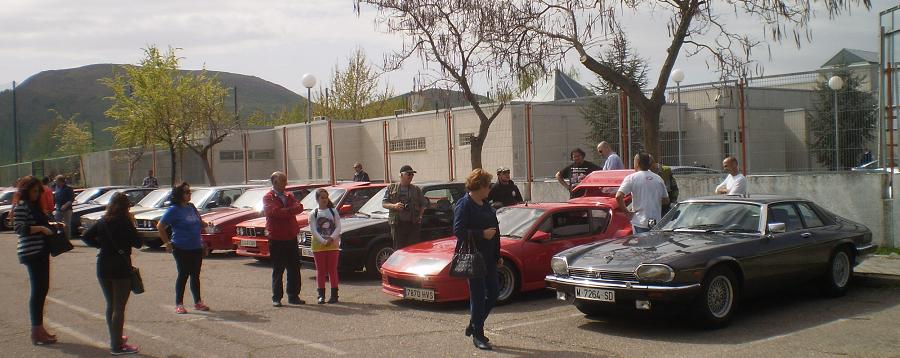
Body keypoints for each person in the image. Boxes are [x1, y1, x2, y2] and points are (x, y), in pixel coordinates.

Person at [81, 192, 142, 355]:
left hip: (103, 265)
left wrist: (100, 245)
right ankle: (117, 346)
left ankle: (115, 338)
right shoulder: (125, 222)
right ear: (126, 207)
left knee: (111, 304)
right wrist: (132, 224)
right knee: (119, 307)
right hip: (120, 266)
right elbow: (139, 243)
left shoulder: (102, 221)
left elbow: (85, 236)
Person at [454, 169, 501, 351]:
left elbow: (496, 232)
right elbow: (458, 231)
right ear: (480, 186)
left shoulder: (486, 204)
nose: (490, 189)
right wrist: (481, 234)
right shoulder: (464, 204)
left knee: (495, 292)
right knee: (478, 296)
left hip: (489, 257)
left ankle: (474, 323)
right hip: (473, 257)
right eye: (488, 185)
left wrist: (498, 256)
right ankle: (478, 334)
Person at [14, 176, 58, 345]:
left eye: (39, 191)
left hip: (41, 251)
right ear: (26, 191)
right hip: (31, 252)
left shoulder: (35, 206)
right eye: (34, 191)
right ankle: (36, 331)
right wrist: (40, 228)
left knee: (42, 289)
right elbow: (19, 228)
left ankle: (39, 329)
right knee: (38, 291)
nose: (37, 194)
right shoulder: (22, 206)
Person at [157, 182, 210, 314]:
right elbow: (160, 226)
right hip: (181, 247)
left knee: (195, 275)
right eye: (186, 192)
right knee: (183, 274)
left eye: (189, 191)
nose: (189, 194)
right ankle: (179, 303)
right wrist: (167, 243)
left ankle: (198, 302)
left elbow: (200, 223)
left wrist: (206, 225)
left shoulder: (191, 207)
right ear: (180, 194)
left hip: (196, 246)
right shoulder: (173, 210)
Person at [263, 171, 306, 306]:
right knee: (278, 268)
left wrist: (286, 210)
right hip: (276, 238)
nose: (286, 184)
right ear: (275, 182)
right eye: (283, 181)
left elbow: (300, 207)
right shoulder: (268, 197)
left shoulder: (289, 195)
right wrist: (289, 210)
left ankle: (293, 295)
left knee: (294, 268)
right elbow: (274, 212)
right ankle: (276, 297)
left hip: (291, 236)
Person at [616, 153, 669, 234]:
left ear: (637, 162)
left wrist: (627, 212)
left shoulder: (631, 178)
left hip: (640, 222)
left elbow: (618, 196)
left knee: (642, 245)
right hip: (656, 222)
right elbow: (666, 200)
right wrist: (652, 201)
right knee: (655, 245)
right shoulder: (658, 178)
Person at [382, 165, 428, 249]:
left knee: (413, 249)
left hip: (413, 224)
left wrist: (420, 216)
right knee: (399, 250)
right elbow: (384, 203)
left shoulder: (416, 189)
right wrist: (394, 206)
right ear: (401, 175)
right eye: (408, 174)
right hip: (398, 225)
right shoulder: (391, 188)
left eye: (412, 175)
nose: (411, 177)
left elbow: (423, 204)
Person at [310, 188, 342, 305]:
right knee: (321, 270)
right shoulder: (314, 213)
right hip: (318, 246)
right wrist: (323, 241)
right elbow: (313, 230)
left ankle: (334, 294)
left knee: (332, 270)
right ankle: (321, 295)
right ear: (317, 199)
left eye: (326, 197)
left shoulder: (333, 211)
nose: (324, 200)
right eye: (322, 197)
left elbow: (338, 227)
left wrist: (331, 238)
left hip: (332, 245)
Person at [52, 175, 75, 240]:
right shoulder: (56, 188)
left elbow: (72, 199)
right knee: (56, 223)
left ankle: (67, 239)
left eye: (56, 181)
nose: (55, 182)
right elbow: (55, 198)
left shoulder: (68, 188)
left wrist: (65, 205)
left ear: (61, 181)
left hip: (67, 209)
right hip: (58, 209)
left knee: (67, 225)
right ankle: (57, 238)